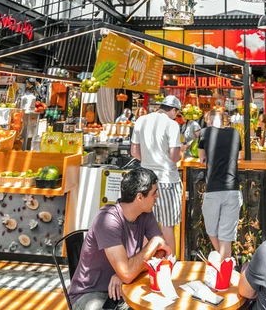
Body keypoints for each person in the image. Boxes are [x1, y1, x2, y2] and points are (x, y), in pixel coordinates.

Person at [69, 168, 171, 310]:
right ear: (139, 197)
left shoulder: (145, 214)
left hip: (125, 288)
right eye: (154, 193)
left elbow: (163, 252)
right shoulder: (107, 220)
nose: (157, 196)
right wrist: (152, 244)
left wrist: (122, 274)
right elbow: (131, 271)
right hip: (92, 294)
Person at [130, 95, 182, 254]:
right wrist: (180, 155)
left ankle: (143, 265)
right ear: (173, 110)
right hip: (166, 181)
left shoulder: (141, 120)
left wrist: (148, 160)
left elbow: (134, 152)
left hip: (145, 180)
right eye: (177, 113)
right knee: (167, 225)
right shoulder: (172, 125)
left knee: (146, 226)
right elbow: (174, 157)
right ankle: (169, 262)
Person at [198, 110, 242, 260]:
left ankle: (225, 263)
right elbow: (240, 157)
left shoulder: (204, 133)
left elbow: (201, 159)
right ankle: (227, 263)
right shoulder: (235, 133)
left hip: (213, 190)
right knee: (226, 235)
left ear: (209, 122)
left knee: (212, 231)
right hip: (232, 189)